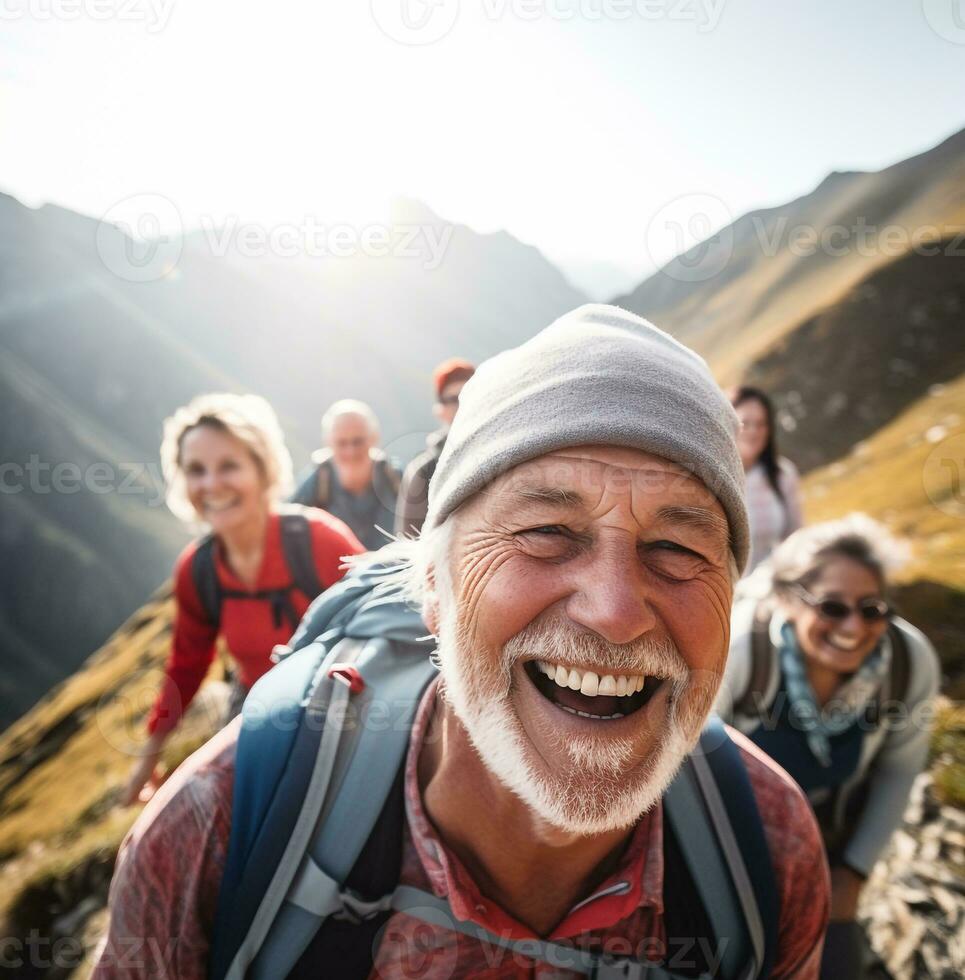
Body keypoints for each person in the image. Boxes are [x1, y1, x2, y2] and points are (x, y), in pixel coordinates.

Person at [96, 306, 828, 978]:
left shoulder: (769, 847)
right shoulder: (211, 833)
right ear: (432, 587)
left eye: (675, 546)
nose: (613, 611)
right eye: (544, 532)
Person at [715, 514, 940, 979]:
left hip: (830, 847)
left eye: (872, 608)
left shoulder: (908, 664)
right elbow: (687, 771)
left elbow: (899, 771)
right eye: (832, 607)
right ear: (786, 599)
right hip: (728, 845)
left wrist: (853, 875)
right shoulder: (738, 653)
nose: (855, 627)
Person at [119, 393, 363, 807]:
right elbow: (186, 665)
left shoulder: (320, 541)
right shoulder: (198, 571)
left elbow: (391, 618)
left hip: (352, 711)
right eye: (196, 470)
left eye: (228, 465)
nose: (211, 484)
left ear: (262, 469)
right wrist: (149, 757)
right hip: (256, 712)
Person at [291, 398, 401, 551]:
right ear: (328, 442)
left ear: (374, 438)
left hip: (394, 572)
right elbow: (287, 527)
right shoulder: (318, 481)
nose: (350, 451)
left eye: (358, 441)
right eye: (341, 443)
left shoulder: (396, 479)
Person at [395, 357, 475, 537]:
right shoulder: (423, 471)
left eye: (470, 394)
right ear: (440, 410)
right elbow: (407, 545)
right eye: (454, 399)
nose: (463, 405)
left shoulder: (506, 458)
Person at [729, 386, 803, 575]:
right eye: (745, 423)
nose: (754, 431)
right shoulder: (711, 477)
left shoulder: (782, 474)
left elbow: (796, 537)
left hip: (770, 589)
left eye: (761, 424)